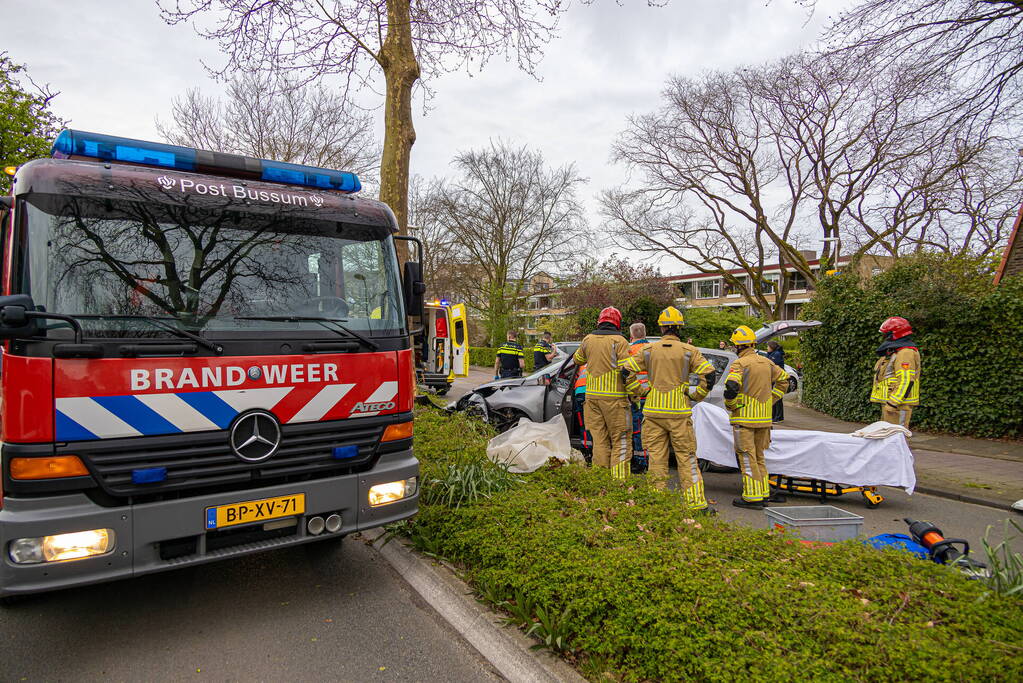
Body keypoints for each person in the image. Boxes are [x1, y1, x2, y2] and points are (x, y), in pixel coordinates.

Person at [624, 307, 717, 511]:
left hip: (654, 411)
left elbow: (625, 371)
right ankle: (695, 504)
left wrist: (641, 391)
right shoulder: (689, 351)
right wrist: (696, 396)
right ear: (679, 327)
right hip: (678, 413)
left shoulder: (648, 351)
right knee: (687, 457)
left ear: (662, 327)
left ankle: (657, 502)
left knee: (656, 457)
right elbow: (709, 375)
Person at [723, 325, 789, 509]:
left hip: (744, 420)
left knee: (747, 458)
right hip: (764, 420)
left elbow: (731, 388)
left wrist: (732, 406)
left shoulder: (739, 364)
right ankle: (762, 493)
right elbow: (785, 380)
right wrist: (772, 399)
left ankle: (752, 497)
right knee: (759, 457)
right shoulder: (767, 362)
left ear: (738, 346)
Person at [573, 307, 636, 479]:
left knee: (599, 441)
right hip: (615, 400)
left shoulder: (588, 339)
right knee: (621, 441)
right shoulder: (620, 341)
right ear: (617, 322)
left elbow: (577, 360)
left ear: (599, 321)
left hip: (592, 399)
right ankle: (619, 483)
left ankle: (600, 481)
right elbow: (627, 371)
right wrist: (636, 393)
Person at [871, 316, 921, 428]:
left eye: (886, 334)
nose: (884, 337)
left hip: (897, 405)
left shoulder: (905, 353)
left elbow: (906, 380)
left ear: (894, 334)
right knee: (889, 438)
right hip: (892, 405)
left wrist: (893, 402)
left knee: (897, 437)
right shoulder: (896, 351)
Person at [627, 322, 652, 474]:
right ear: (645, 334)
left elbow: (627, 373)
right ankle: (649, 458)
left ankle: (640, 461)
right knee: (650, 429)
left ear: (631, 336)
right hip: (652, 394)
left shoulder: (630, 350)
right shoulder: (652, 349)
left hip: (637, 395)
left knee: (637, 429)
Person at [766, 340, 786, 423]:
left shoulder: (776, 355)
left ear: (772, 347)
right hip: (773, 378)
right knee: (773, 397)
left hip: (778, 379)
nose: (767, 348)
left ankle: (779, 417)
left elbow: (773, 366)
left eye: (768, 346)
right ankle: (773, 416)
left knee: (777, 398)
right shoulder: (771, 354)